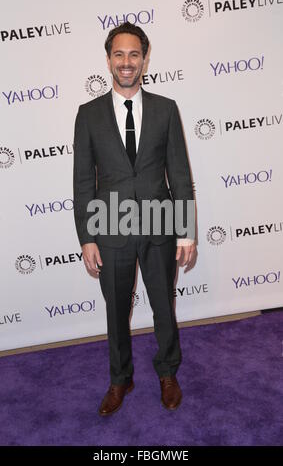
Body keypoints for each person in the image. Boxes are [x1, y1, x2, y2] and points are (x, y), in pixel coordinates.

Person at [73, 22, 196, 416]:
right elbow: (82, 181)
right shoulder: (88, 115)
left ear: (145, 59)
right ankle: (120, 378)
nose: (127, 62)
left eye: (134, 54)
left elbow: (178, 173)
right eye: (119, 54)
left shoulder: (165, 109)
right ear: (109, 59)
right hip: (110, 228)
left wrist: (186, 231)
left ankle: (168, 372)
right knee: (115, 310)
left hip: (160, 224)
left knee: (163, 304)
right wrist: (87, 237)